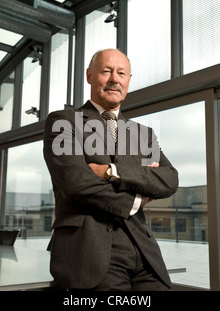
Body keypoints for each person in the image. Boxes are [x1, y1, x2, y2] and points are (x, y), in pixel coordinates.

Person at [43, 49, 179, 290]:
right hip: (88, 252)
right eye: (106, 71)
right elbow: (76, 184)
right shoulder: (63, 122)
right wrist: (136, 199)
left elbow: (169, 179)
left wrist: (112, 171)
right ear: (89, 75)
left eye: (121, 73)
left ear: (128, 80)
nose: (115, 79)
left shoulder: (141, 134)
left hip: (142, 250)